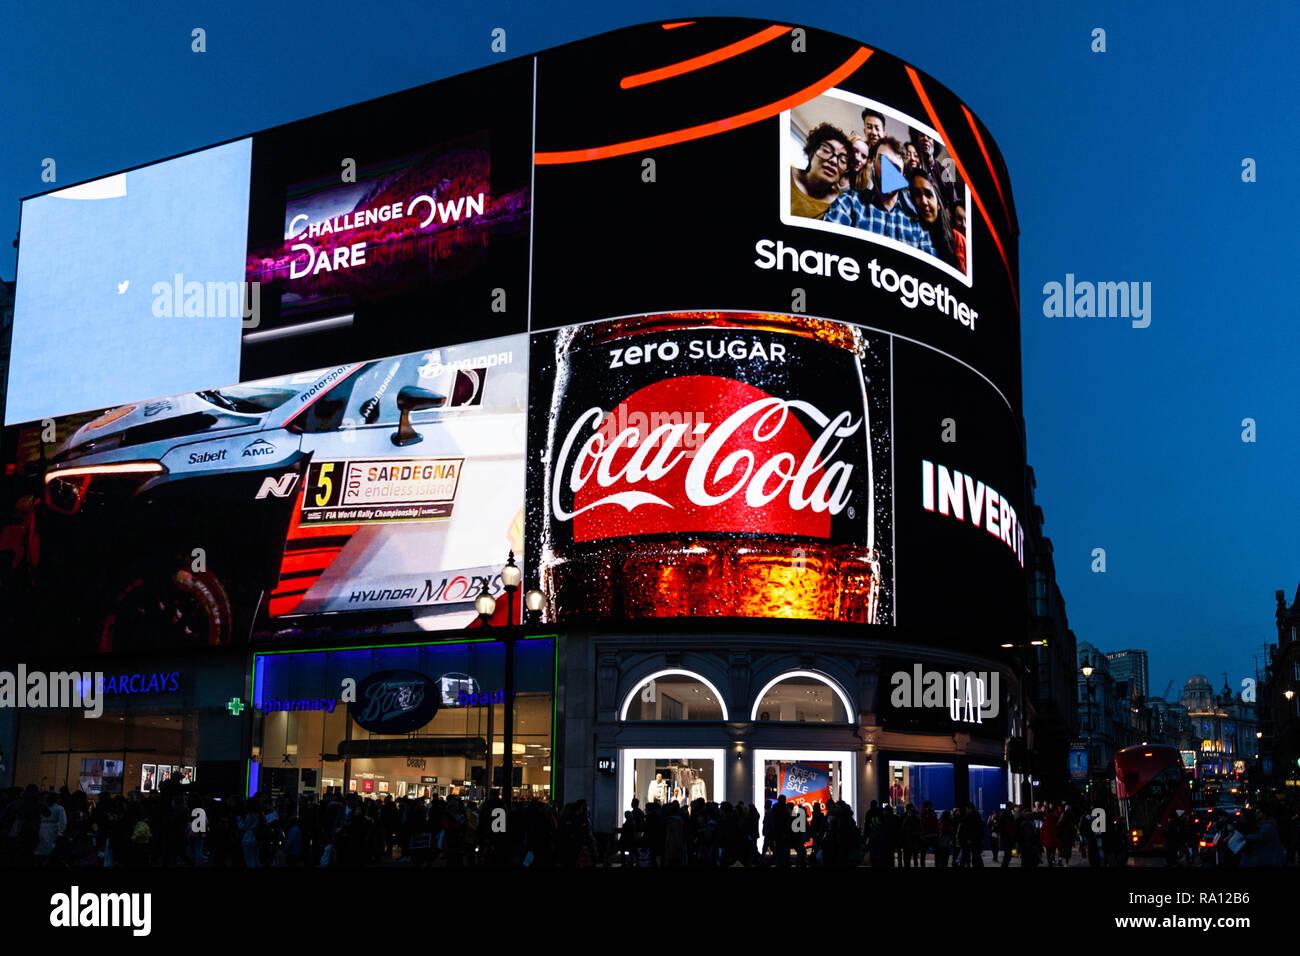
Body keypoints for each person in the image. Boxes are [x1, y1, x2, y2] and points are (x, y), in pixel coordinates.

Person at [822, 138, 936, 255]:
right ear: (872, 164)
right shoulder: (849, 203)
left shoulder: (916, 225)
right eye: (883, 161)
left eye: (895, 168)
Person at [790, 124, 853, 220]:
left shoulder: (842, 203)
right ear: (812, 152)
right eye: (827, 150)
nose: (834, 161)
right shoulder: (785, 174)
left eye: (843, 160)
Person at [909, 170, 965, 271]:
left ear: (938, 204)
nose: (924, 202)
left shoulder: (958, 240)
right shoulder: (908, 234)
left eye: (928, 194)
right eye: (917, 194)